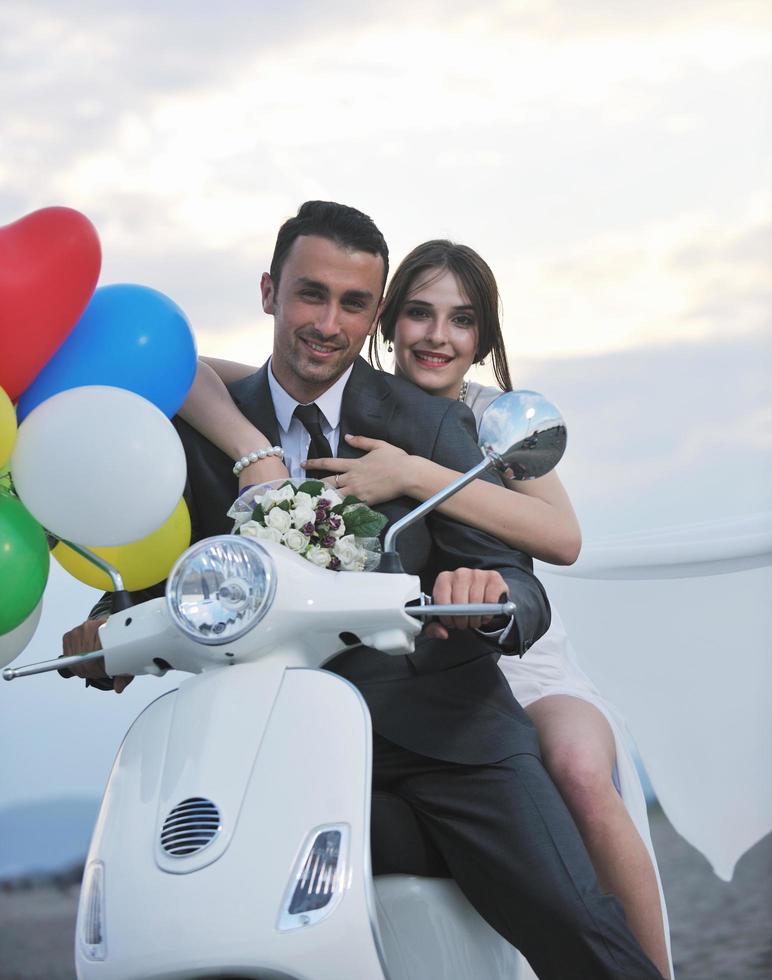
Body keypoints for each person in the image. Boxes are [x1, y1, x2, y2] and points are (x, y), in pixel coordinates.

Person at [62, 201, 664, 979]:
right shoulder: (203, 434)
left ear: (373, 313)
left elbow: (525, 583)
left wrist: (482, 602)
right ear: (269, 291)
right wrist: (107, 628)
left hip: (452, 743)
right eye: (311, 294)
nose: (327, 322)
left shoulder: (436, 426)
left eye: (352, 304)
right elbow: (163, 578)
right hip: (270, 744)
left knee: (576, 929)